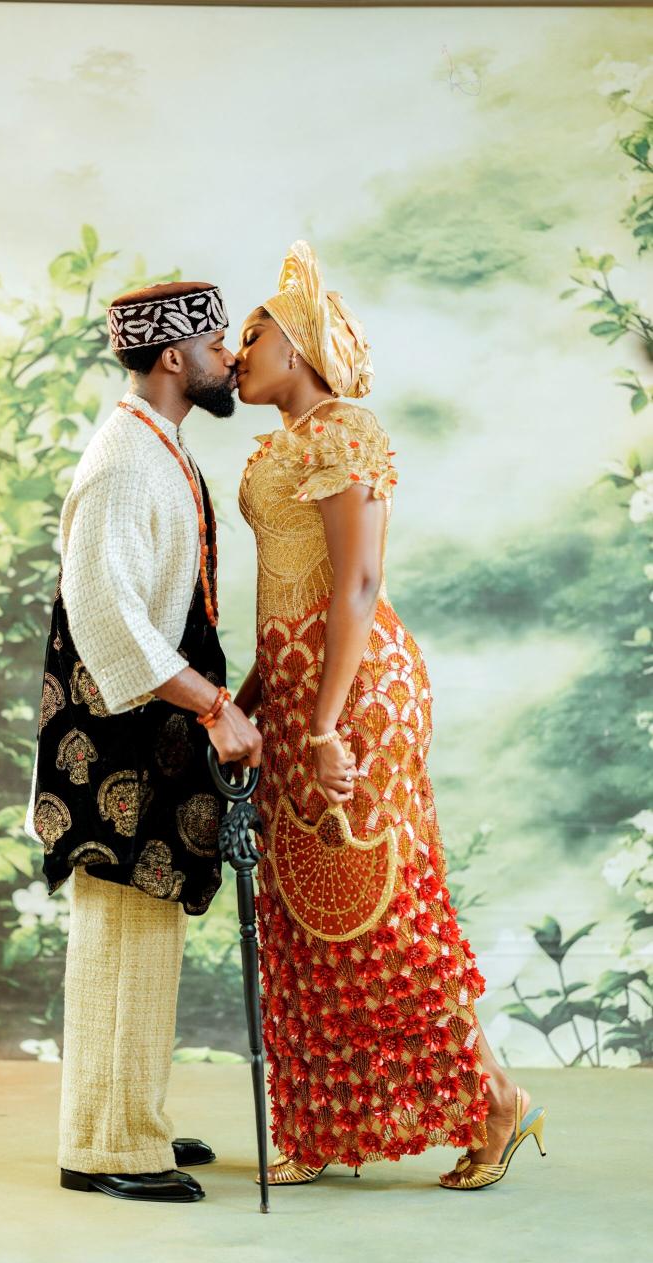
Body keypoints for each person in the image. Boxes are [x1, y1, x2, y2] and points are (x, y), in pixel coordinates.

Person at [233, 241, 547, 1189]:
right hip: (299, 688)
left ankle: (497, 1100)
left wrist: (326, 725)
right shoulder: (281, 445)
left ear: (298, 348)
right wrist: (246, 703)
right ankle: (324, 1123)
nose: (238, 354)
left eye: (253, 337)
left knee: (380, 900)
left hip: (357, 693)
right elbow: (287, 596)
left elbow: (360, 585)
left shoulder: (343, 432)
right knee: (303, 904)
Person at [24, 280, 263, 1204]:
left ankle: (129, 1117)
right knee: (122, 931)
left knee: (144, 930)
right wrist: (215, 707)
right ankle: (107, 1147)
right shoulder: (124, 461)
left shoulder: (158, 442)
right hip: (114, 739)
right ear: (172, 357)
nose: (231, 358)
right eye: (216, 342)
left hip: (145, 729)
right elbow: (106, 617)